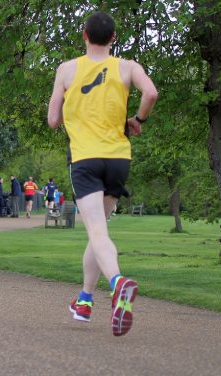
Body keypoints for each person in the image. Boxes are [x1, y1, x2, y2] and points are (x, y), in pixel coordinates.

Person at [47, 11, 158, 336]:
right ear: (113, 39)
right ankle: (84, 300)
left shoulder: (67, 69)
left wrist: (68, 104)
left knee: (97, 232)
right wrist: (138, 119)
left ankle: (118, 283)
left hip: (85, 158)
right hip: (118, 158)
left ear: (84, 35)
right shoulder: (127, 67)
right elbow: (150, 93)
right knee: (98, 233)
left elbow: (53, 120)